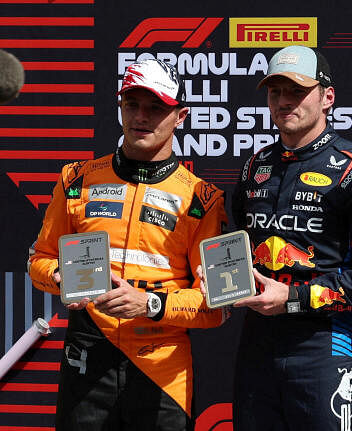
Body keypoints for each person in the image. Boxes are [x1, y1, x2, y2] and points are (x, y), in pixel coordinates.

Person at [27, 58, 228, 431]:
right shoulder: (76, 179)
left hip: (162, 370)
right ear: (119, 107)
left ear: (180, 116)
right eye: (132, 104)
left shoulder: (203, 198)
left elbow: (216, 306)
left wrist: (150, 304)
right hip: (87, 358)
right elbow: (41, 259)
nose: (141, 116)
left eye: (156, 107)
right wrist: (62, 277)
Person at [231, 45, 352, 430]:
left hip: (324, 346)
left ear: (328, 97)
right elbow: (235, 248)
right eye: (275, 92)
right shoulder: (254, 166)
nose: (283, 101)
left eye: (296, 91)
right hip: (257, 346)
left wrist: (293, 298)